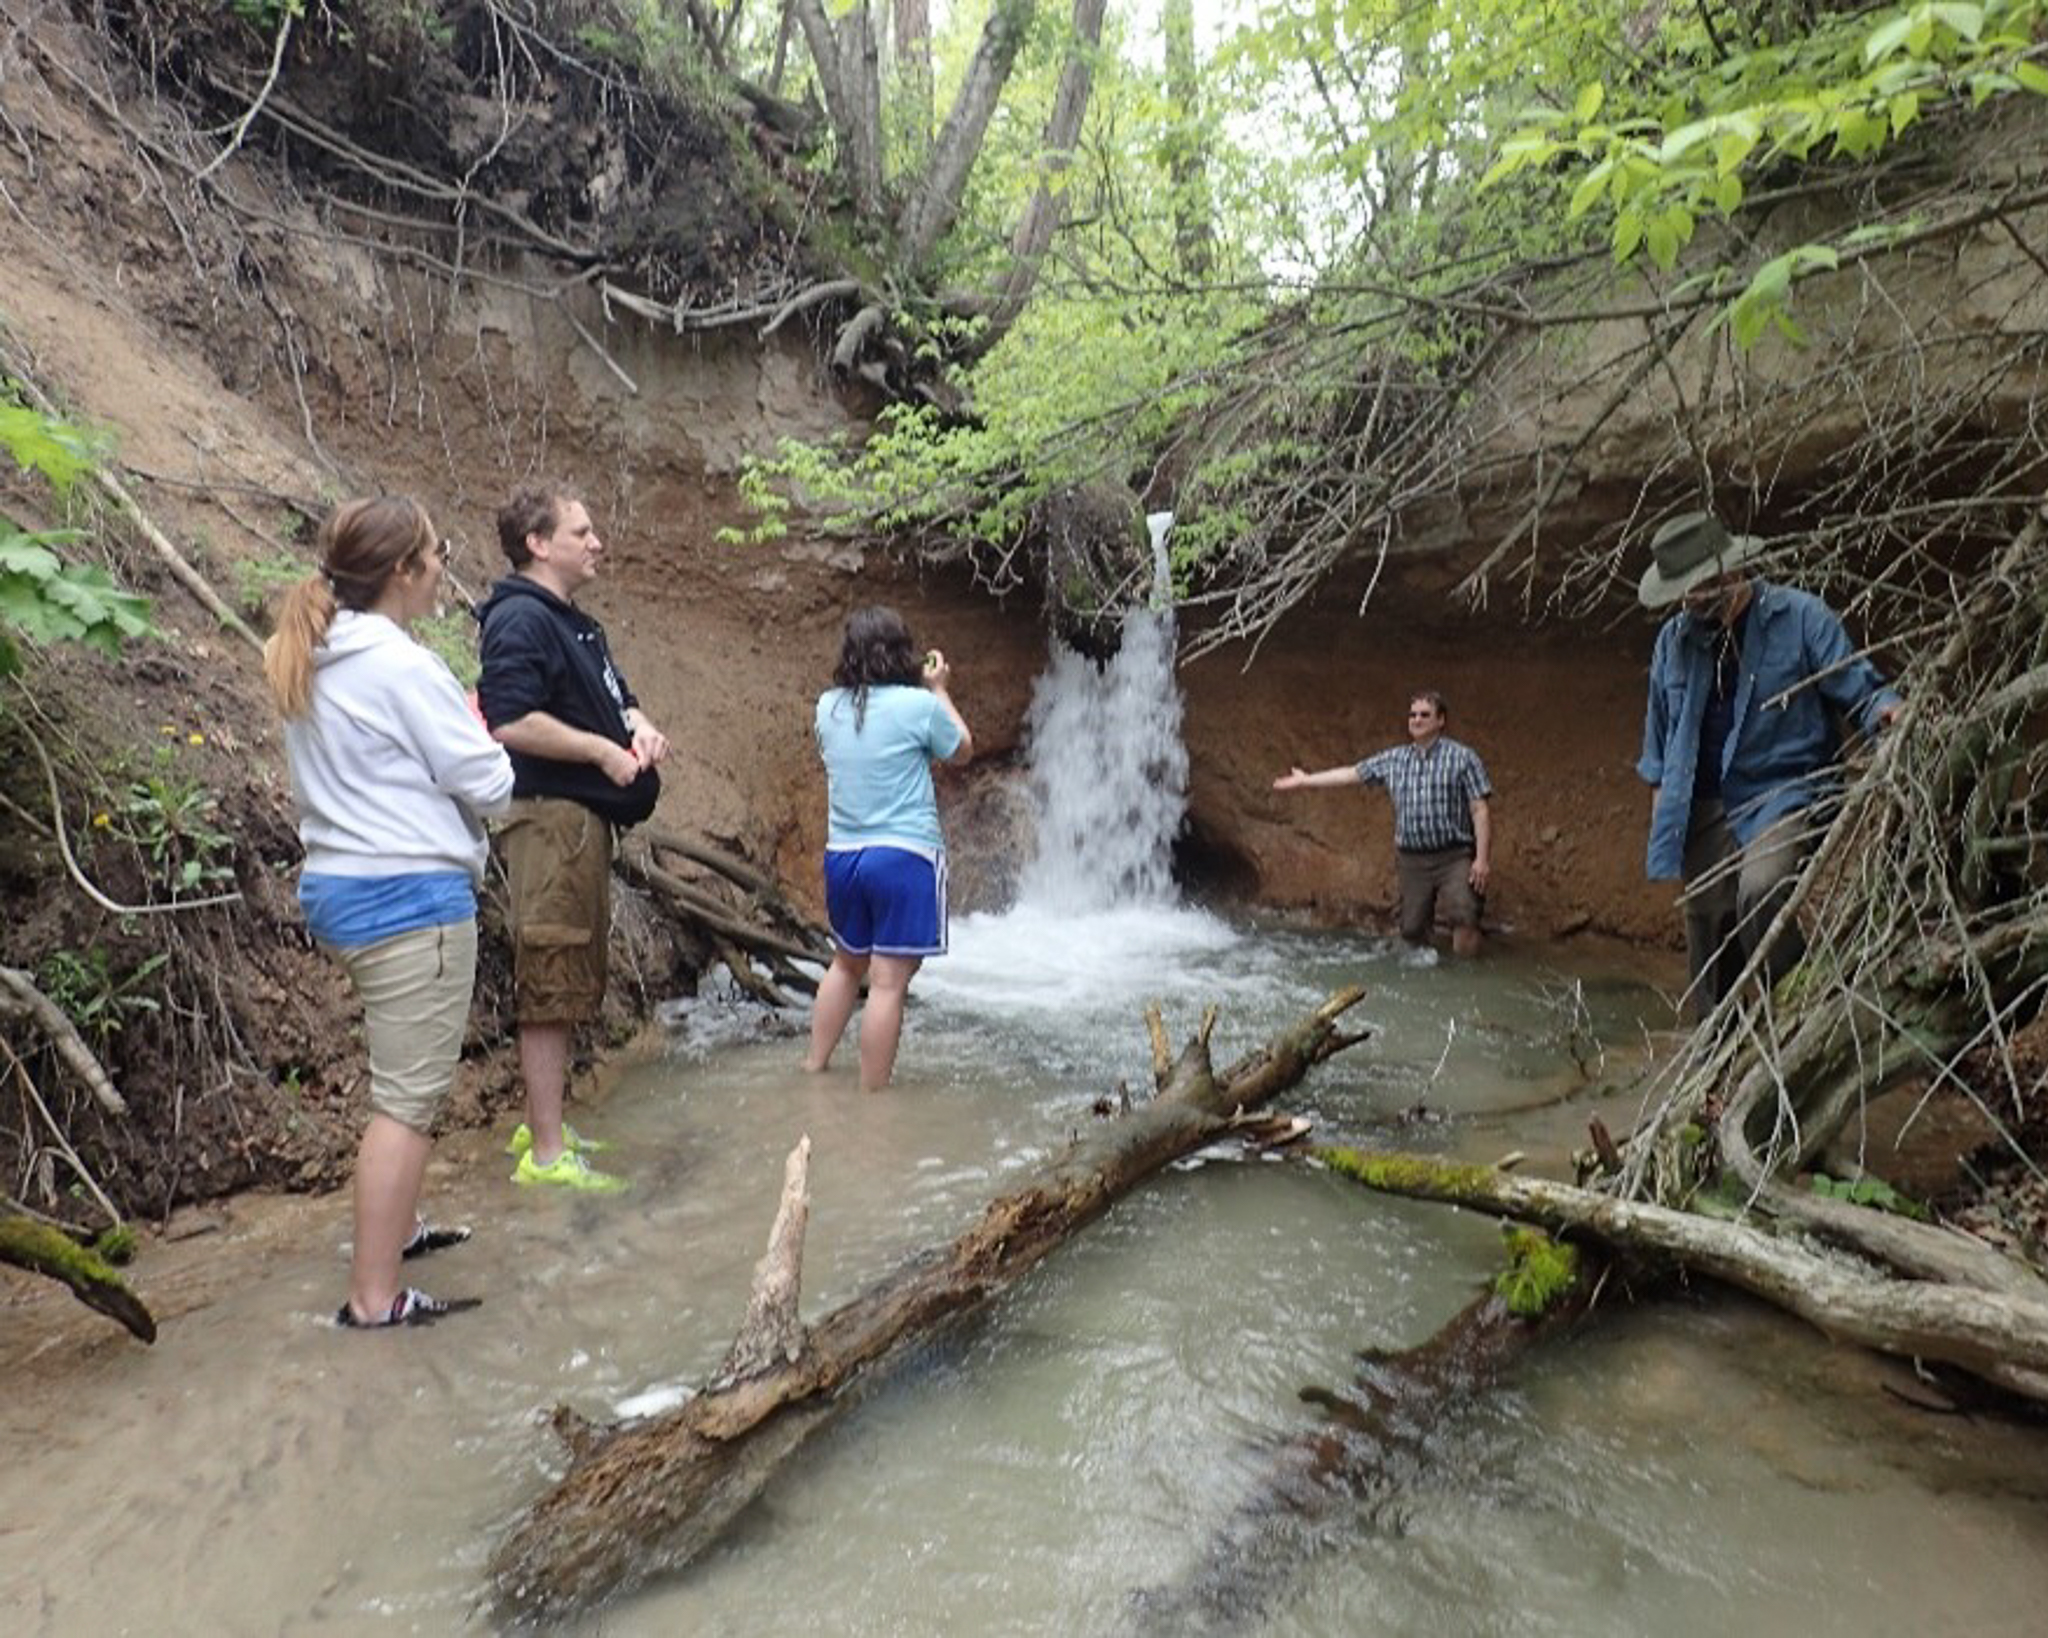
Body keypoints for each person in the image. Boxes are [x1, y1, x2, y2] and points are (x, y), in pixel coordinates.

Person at [264, 496, 513, 1328]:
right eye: (435, 553)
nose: (444, 564)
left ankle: (399, 1231)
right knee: (406, 1102)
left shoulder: (314, 653)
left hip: (340, 892)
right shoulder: (403, 666)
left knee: (393, 1073)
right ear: (402, 572)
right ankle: (375, 1298)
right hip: (411, 901)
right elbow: (491, 784)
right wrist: (481, 734)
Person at [1636, 510, 1901, 1020]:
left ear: (1727, 574)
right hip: (1703, 797)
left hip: (1785, 788)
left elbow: (1861, 692)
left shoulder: (1802, 617)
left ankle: (1805, 1010)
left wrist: (1888, 712)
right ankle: (1718, 1051)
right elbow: (1660, 739)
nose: (1687, 603)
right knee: (1708, 929)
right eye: (1682, 595)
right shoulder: (1674, 639)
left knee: (1760, 891)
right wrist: (1665, 813)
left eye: (1694, 590)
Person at [476, 485, 668, 1191]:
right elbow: (508, 720)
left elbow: (619, 693)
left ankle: (544, 1127)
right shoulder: (520, 620)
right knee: (550, 982)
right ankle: (548, 1156)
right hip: (549, 823)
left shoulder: (575, 624)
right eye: (582, 532)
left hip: (580, 828)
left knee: (567, 977)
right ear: (538, 543)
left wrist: (639, 726)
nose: (597, 543)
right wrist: (599, 752)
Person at [804, 606, 973, 1092]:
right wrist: (938, 690)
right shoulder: (917, 706)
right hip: (905, 855)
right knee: (887, 982)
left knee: (845, 963)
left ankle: (813, 1069)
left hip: (844, 857)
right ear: (903, 654)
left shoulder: (827, 707)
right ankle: (872, 1098)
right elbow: (962, 749)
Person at [1272, 691, 1494, 956]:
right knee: (1411, 929)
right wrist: (1306, 780)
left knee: (1465, 916)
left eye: (1425, 715)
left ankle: (1466, 979)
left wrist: (1481, 860)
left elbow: (1479, 809)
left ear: (1440, 720)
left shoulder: (1463, 757)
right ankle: (1424, 983)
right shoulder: (1395, 759)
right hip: (1412, 859)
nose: (1417, 720)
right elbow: (1351, 773)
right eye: (1413, 715)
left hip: (1455, 855)